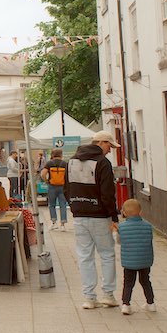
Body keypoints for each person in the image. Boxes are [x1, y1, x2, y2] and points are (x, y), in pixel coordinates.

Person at [68, 130, 120, 310]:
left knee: (85, 257)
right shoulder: (103, 163)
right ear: (102, 142)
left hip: (79, 215)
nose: (110, 150)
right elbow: (108, 193)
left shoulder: (72, 161)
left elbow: (67, 189)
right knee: (107, 254)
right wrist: (113, 216)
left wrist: (74, 207)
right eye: (109, 146)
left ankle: (89, 297)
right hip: (99, 215)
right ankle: (108, 294)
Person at [117, 198, 156, 315]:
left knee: (128, 282)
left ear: (124, 213)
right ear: (140, 212)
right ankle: (151, 303)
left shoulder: (122, 227)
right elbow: (150, 239)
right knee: (145, 281)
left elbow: (119, 241)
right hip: (145, 260)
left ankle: (126, 304)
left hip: (129, 261)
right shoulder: (148, 226)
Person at [40, 148, 70, 230]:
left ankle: (54, 222)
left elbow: (43, 174)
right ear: (61, 154)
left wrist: (47, 181)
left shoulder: (49, 163)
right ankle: (63, 224)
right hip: (62, 186)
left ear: (53, 154)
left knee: (52, 205)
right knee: (62, 205)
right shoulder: (65, 163)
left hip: (52, 186)